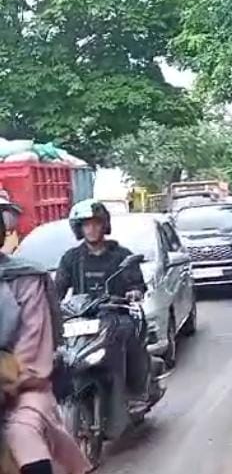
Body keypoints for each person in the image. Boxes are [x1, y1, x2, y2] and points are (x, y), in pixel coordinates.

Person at [1, 196, 89, 474]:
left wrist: (5, 386)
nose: (92, 229)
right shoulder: (71, 258)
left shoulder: (24, 279)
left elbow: (32, 353)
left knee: (22, 434)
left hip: (20, 389)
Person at [54, 199, 150, 407]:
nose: (92, 229)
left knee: (128, 333)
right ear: (79, 228)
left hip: (116, 314)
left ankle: (135, 391)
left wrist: (133, 292)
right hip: (83, 318)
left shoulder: (121, 255)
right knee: (59, 349)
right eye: (86, 224)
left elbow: (137, 284)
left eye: (96, 223)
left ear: (104, 225)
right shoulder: (71, 258)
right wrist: (51, 306)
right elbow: (58, 289)